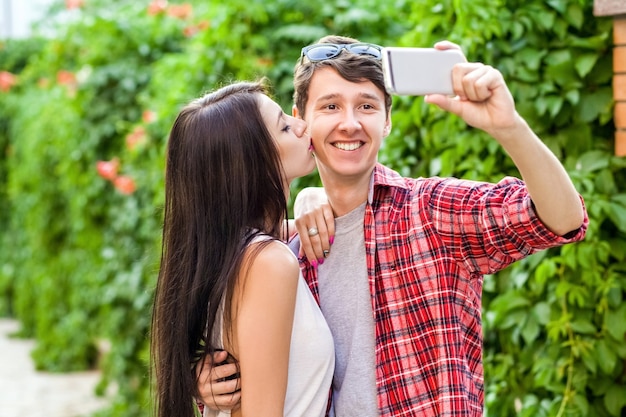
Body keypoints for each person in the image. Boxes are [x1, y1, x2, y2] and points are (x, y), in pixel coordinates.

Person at [198, 36, 588, 417]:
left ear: (386, 121)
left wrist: (510, 127)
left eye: (366, 106)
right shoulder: (289, 247)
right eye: (331, 106)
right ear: (302, 122)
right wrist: (203, 377)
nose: (349, 124)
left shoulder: (431, 211)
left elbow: (560, 219)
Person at [151, 80, 334, 417]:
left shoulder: (227, 252)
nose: (302, 125)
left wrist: (314, 196)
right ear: (251, 162)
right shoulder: (268, 262)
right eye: (284, 126)